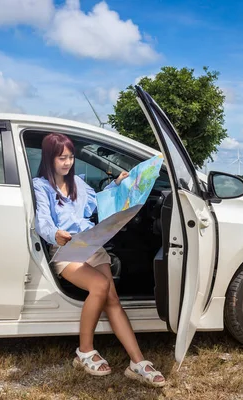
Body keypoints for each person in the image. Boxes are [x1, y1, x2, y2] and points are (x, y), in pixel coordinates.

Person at [32, 133, 166, 388]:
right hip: (67, 251)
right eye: (62, 158)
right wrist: (55, 234)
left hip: (92, 245)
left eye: (71, 157)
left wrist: (117, 185)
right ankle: (84, 351)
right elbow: (43, 221)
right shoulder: (41, 186)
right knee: (100, 286)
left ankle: (137, 363)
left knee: (112, 299)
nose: (68, 162)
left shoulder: (79, 185)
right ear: (50, 158)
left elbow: (99, 202)